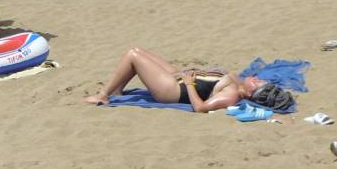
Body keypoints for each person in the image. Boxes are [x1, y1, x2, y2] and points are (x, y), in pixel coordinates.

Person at [82, 47, 288, 113]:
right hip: (180, 78)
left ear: (251, 92)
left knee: (132, 56)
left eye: (257, 83)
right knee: (138, 50)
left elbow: (201, 107)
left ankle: (104, 95)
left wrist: (189, 84)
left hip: (173, 91)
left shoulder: (231, 95)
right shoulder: (239, 82)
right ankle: (117, 90)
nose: (256, 78)